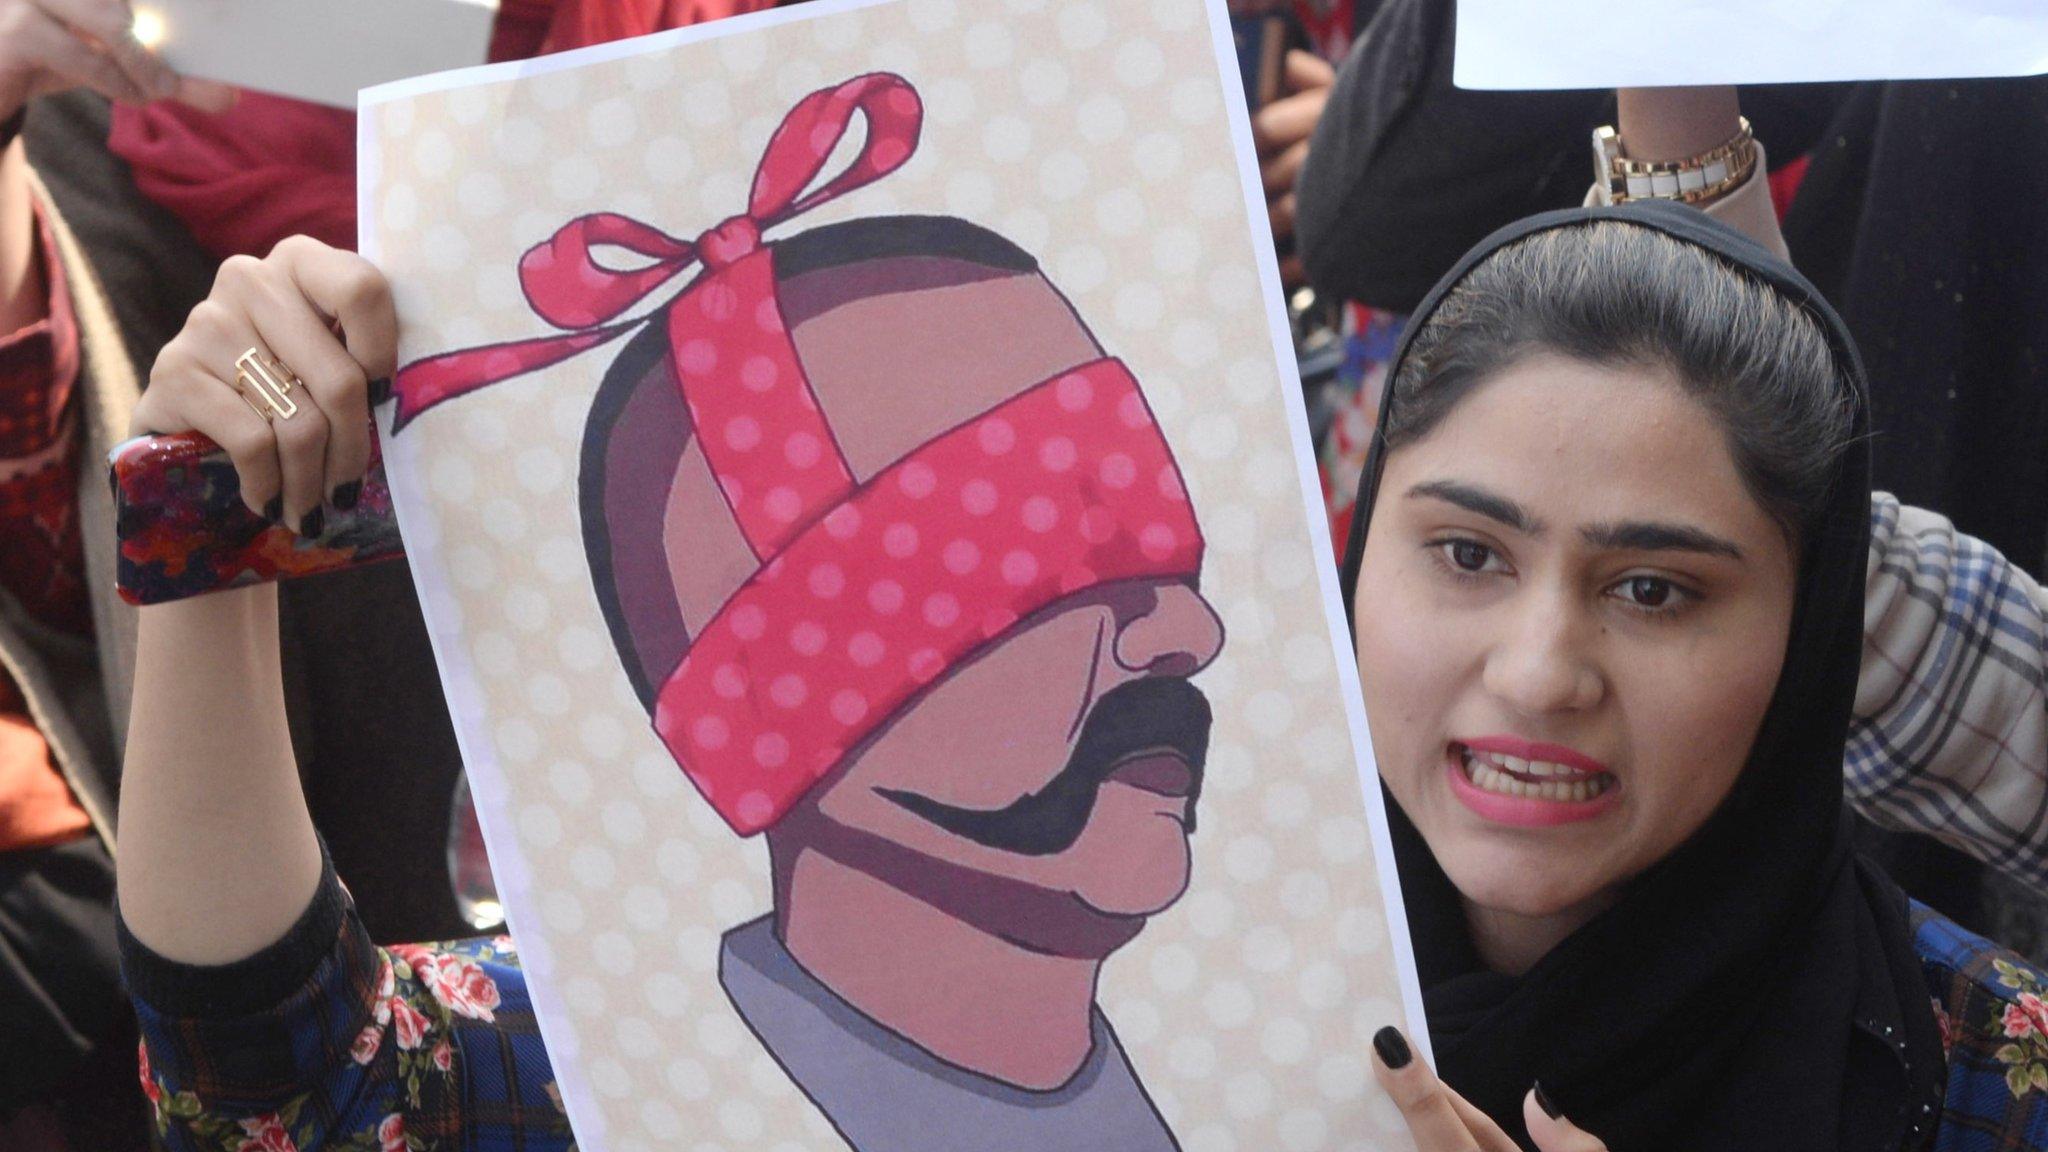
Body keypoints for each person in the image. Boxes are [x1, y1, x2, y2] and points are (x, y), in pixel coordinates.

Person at [1343, 92, 2048, 1152]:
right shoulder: (1129, 990)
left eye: (1652, 591)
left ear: (1809, 635)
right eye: (1468, 555)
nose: (1538, 676)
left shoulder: (1998, 1090)